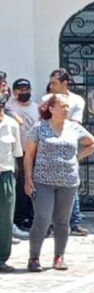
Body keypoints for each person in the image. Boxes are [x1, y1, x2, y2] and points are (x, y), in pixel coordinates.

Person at [23, 94, 94, 272]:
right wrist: (28, 179)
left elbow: (93, 143)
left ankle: (59, 256)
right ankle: (34, 257)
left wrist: (77, 157)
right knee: (42, 218)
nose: (66, 109)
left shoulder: (74, 128)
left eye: (67, 107)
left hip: (68, 181)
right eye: (62, 106)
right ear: (51, 109)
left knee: (62, 221)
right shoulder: (39, 128)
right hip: (43, 180)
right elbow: (29, 155)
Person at [44, 68, 89, 236]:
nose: (51, 86)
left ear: (65, 83)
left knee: (71, 183)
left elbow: (74, 123)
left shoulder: (77, 100)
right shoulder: (46, 99)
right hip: (48, 145)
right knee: (47, 186)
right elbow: (44, 120)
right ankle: (48, 223)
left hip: (69, 144)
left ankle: (74, 221)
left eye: (55, 82)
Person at [9, 78, 37, 234]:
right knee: (20, 186)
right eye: (20, 89)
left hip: (33, 152)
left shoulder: (37, 107)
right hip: (17, 153)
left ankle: (31, 217)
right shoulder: (9, 107)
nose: (24, 92)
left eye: (27, 89)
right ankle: (19, 218)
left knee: (34, 185)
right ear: (14, 92)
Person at [0, 96, 22, 273]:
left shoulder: (11, 125)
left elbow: (17, 153)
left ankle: (1, 257)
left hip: (5, 175)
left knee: (5, 218)